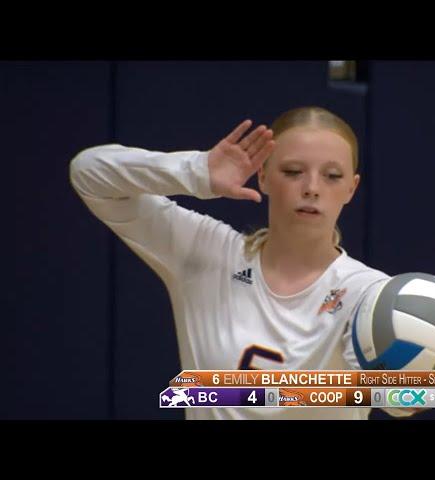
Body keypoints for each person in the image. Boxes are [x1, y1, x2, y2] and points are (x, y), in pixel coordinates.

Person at [69, 106, 416, 420]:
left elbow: (406, 401)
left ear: (351, 189)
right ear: (262, 177)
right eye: (293, 171)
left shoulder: (371, 294)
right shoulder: (207, 253)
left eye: (332, 176)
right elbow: (90, 173)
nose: (312, 187)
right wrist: (196, 171)